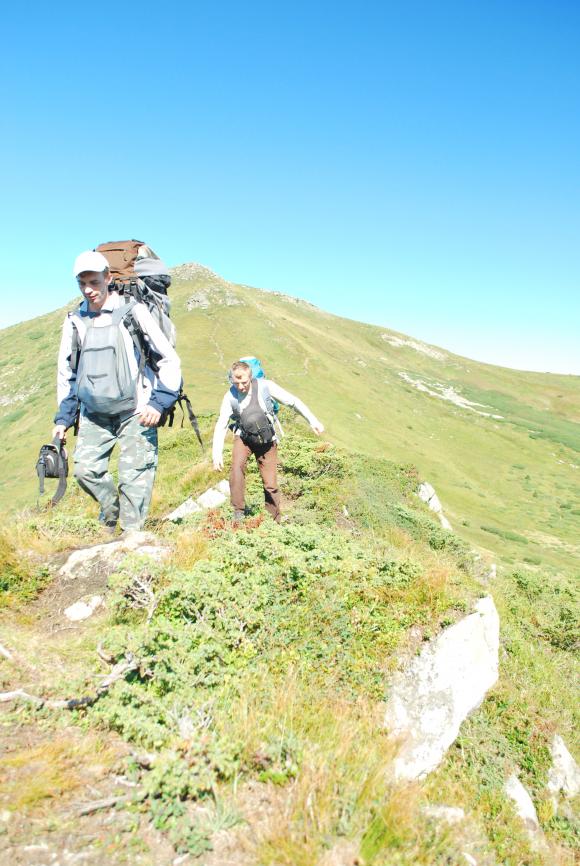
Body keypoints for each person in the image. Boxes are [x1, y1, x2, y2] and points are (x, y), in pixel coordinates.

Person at [52, 250, 182, 533]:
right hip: (93, 413)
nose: (88, 290)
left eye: (94, 282)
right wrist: (63, 420)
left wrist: (158, 404)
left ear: (108, 278)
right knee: (86, 472)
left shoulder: (132, 311)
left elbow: (169, 358)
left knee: (134, 479)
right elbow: (68, 374)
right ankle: (112, 510)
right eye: (82, 283)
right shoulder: (74, 321)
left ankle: (130, 539)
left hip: (135, 412)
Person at [213, 360, 324, 523]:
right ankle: (238, 513)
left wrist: (312, 420)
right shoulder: (230, 396)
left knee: (270, 484)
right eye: (236, 383)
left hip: (267, 440)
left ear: (250, 377)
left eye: (244, 382)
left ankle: (274, 518)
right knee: (236, 469)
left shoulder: (266, 387)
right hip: (243, 437)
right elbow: (221, 424)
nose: (241, 387)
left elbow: (293, 401)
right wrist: (217, 455)